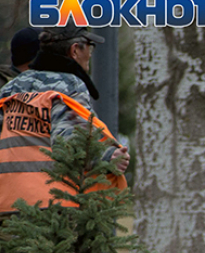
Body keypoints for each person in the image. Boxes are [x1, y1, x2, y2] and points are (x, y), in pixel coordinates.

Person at [0, 25, 130, 215]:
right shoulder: (69, 86)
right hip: (49, 207)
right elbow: (69, 143)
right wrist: (108, 157)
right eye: (89, 47)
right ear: (75, 50)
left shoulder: (12, 87)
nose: (91, 54)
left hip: (7, 201)